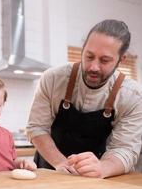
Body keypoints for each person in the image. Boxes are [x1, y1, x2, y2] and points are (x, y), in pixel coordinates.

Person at [26, 19, 142, 178]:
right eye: (89, 56)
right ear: (83, 49)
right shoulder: (53, 79)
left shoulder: (132, 95)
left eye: (104, 60)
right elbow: (37, 128)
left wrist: (103, 168)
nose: (94, 67)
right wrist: (61, 163)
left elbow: (125, 149)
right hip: (49, 171)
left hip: (96, 180)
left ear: (121, 59)